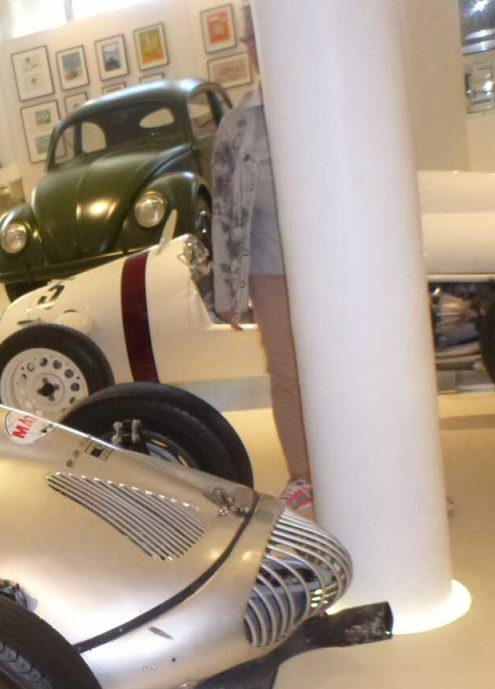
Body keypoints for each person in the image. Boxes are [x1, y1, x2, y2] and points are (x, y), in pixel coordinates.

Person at [211, 3, 312, 514]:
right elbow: (225, 210)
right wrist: (227, 290)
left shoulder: (325, 103)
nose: (256, 46)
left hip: (334, 267)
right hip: (271, 268)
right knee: (287, 373)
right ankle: (303, 475)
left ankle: (376, 465)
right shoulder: (238, 125)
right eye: (251, 37)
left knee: (349, 365)